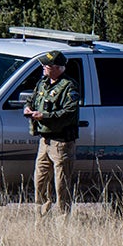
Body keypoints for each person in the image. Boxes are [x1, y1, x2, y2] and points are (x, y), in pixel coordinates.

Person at [26, 50, 82, 214]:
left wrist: (45, 116)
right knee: (40, 180)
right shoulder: (43, 83)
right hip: (44, 140)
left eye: (47, 65)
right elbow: (32, 99)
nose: (43, 67)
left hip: (61, 142)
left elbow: (69, 112)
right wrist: (29, 108)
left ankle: (62, 219)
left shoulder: (69, 86)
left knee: (61, 184)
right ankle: (40, 218)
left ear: (57, 67)